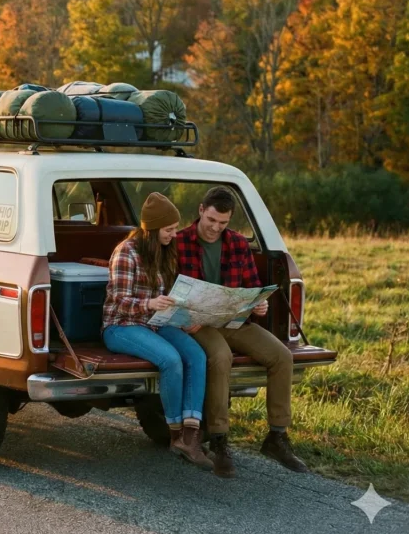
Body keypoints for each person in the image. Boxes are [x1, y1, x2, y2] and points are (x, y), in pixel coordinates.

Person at [175, 186, 308, 478]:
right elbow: (167, 290)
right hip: (195, 323)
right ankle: (220, 439)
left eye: (223, 223)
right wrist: (184, 318)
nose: (215, 228)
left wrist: (257, 304)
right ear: (201, 211)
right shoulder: (178, 242)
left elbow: (251, 286)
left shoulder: (236, 243)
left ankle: (277, 436)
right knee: (221, 357)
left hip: (233, 320)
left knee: (281, 356)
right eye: (211, 220)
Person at [102, 192, 212, 469]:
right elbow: (119, 300)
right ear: (151, 229)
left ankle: (191, 435)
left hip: (157, 322)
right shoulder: (125, 252)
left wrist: (182, 315)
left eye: (175, 229)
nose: (174, 235)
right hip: (121, 325)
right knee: (170, 360)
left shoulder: (164, 251)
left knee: (197, 356)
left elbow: (168, 297)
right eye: (169, 229)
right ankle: (175, 434)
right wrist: (149, 303)